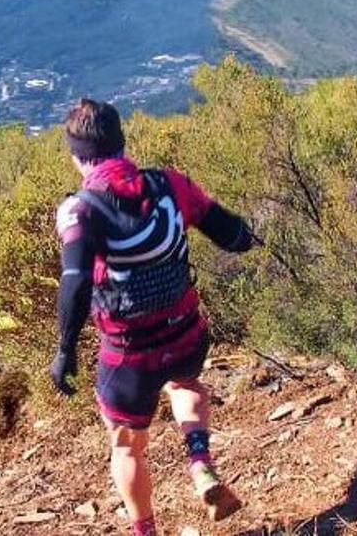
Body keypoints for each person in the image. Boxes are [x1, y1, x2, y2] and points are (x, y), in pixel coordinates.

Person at [50, 99, 254, 535]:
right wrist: (248, 237)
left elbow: (75, 281)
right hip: (184, 332)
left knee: (126, 445)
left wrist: (65, 349)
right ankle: (200, 463)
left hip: (128, 353)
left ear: (76, 155)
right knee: (186, 384)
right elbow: (230, 233)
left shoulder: (79, 210)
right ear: (122, 142)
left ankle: (145, 531)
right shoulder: (170, 184)